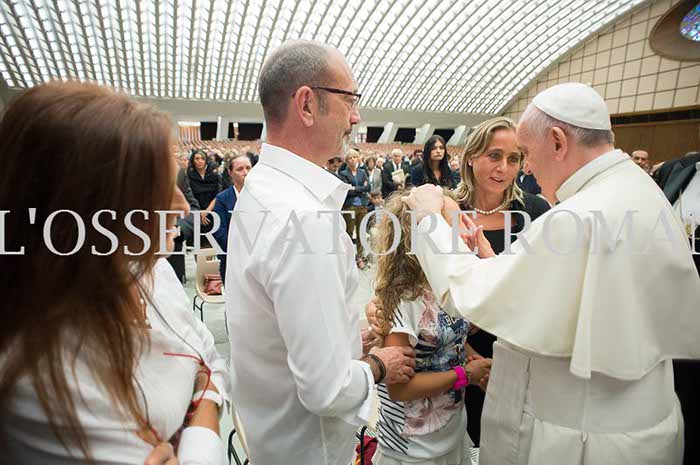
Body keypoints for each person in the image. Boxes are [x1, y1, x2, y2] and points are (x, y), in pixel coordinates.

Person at [402, 83, 700, 465]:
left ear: (558, 142)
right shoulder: (640, 190)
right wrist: (495, 261)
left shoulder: (577, 215)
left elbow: (470, 294)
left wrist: (428, 219)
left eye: (524, 153)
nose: (523, 168)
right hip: (641, 425)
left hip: (579, 440)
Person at [0, 82, 230, 465]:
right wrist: (204, 403)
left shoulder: (150, 269)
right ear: (93, 209)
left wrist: (193, 426)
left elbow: (213, 362)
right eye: (155, 190)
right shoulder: (37, 376)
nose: (179, 206)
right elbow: (205, 373)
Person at [225, 40, 416, 465]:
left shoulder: (263, 187)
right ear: (307, 104)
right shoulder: (303, 217)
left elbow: (279, 319)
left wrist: (345, 337)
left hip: (272, 438)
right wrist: (378, 364)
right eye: (349, 100)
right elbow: (328, 391)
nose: (356, 116)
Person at [370, 192, 492, 465]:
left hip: (452, 433)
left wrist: (468, 352)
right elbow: (399, 389)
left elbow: (446, 338)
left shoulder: (445, 286)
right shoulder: (405, 298)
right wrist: (463, 375)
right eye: (452, 222)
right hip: (414, 450)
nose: (464, 229)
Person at [452, 116, 550, 446]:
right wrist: (465, 353)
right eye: (494, 156)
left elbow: (546, 287)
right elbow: (427, 291)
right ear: (471, 156)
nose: (504, 169)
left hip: (520, 349)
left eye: (513, 158)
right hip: (462, 353)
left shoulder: (535, 211)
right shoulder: (447, 210)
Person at [212, 153, 252, 283]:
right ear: (230, 172)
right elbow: (219, 231)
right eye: (240, 169)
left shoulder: (261, 196)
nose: (245, 172)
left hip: (257, 258)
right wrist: (239, 249)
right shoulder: (223, 198)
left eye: (248, 168)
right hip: (231, 258)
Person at [340, 149, 371, 265]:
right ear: (347, 161)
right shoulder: (343, 174)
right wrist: (360, 188)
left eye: (354, 157)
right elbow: (347, 191)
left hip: (362, 205)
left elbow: (369, 188)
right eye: (350, 158)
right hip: (350, 206)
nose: (353, 160)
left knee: (361, 232)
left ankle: (360, 257)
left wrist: (355, 188)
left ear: (358, 158)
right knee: (348, 232)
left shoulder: (362, 172)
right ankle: (347, 257)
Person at [188, 149, 222, 230]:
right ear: (193, 161)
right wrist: (199, 213)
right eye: (197, 159)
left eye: (202, 159)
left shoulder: (214, 174)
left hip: (213, 209)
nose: (200, 161)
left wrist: (207, 211)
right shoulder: (189, 176)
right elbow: (190, 196)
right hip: (195, 210)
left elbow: (218, 194)